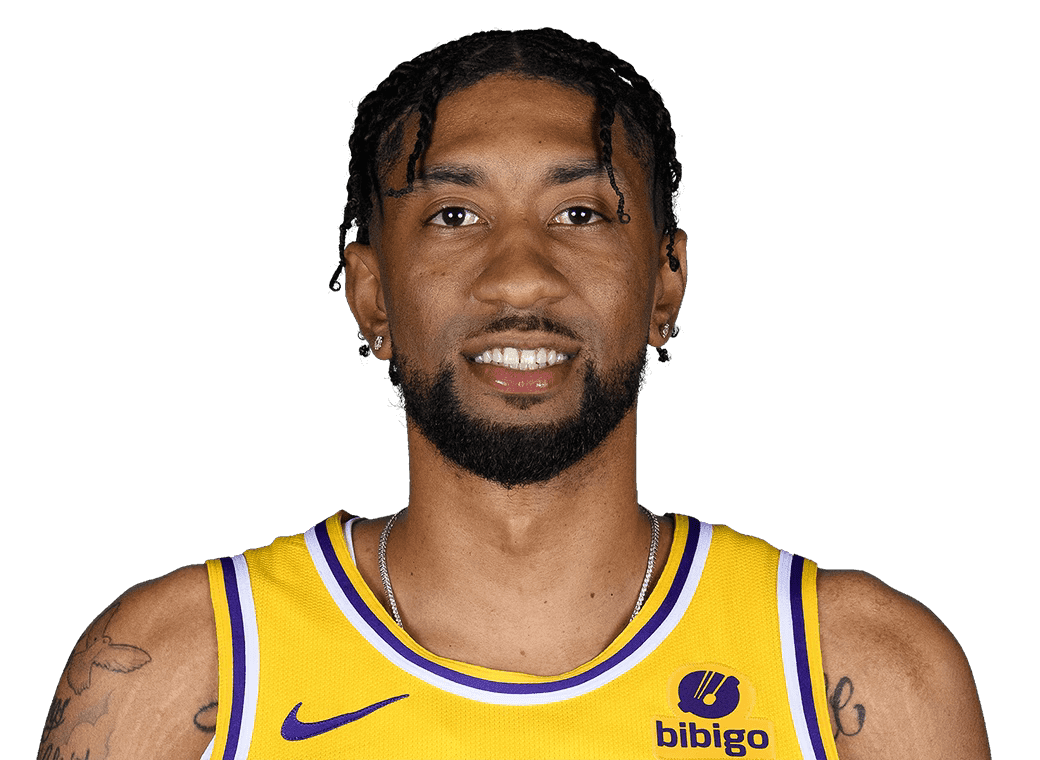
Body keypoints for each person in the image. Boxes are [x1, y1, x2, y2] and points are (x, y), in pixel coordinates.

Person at [38, 28, 989, 760]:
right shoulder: (183, 662)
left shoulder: (854, 670)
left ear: (666, 283)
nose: (521, 276)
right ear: (370, 294)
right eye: (455, 215)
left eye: (580, 212)